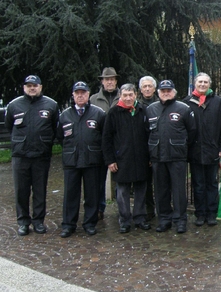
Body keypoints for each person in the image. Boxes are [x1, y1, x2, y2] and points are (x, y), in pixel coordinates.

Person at [5, 75, 59, 236]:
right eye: (29, 85)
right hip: (20, 155)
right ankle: (23, 222)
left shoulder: (51, 104)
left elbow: (55, 127)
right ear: (24, 87)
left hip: (41, 155)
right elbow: (9, 126)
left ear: (40, 87)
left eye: (35, 85)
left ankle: (38, 221)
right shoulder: (14, 105)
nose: (32, 88)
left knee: (40, 190)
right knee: (21, 190)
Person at [146, 80, 196, 234]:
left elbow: (192, 132)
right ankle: (164, 219)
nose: (166, 93)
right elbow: (147, 133)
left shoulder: (184, 108)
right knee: (161, 190)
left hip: (177, 157)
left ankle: (180, 220)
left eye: (169, 90)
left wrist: (182, 148)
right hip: (158, 157)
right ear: (158, 92)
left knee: (179, 190)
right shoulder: (150, 109)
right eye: (163, 90)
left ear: (174, 92)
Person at [57, 81, 106, 237]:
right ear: (73, 95)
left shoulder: (98, 114)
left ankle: (90, 223)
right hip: (72, 161)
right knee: (70, 194)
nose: (80, 95)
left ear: (88, 94)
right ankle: (68, 225)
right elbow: (60, 137)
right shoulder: (65, 115)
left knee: (92, 194)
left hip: (92, 160)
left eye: (83, 93)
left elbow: (105, 136)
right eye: (77, 93)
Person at [102, 83, 151, 233]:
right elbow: (106, 138)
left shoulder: (143, 110)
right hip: (121, 159)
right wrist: (110, 160)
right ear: (120, 96)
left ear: (136, 95)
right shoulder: (113, 113)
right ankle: (124, 220)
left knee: (141, 190)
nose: (128, 98)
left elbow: (149, 135)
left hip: (141, 158)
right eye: (125, 95)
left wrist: (150, 156)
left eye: (131, 95)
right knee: (122, 192)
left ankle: (140, 217)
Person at [184, 73, 221, 227]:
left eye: (205, 82)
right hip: (195, 152)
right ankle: (200, 213)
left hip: (212, 151)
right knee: (197, 184)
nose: (203, 84)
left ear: (209, 84)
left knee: (211, 184)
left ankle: (211, 214)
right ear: (195, 84)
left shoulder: (218, 103)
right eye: (200, 82)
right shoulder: (186, 103)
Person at [90, 67, 120, 221]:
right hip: (99, 145)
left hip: (120, 144)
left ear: (116, 81)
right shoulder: (93, 99)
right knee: (98, 180)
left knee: (121, 179)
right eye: (106, 79)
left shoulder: (124, 96)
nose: (109, 82)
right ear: (102, 81)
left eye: (112, 79)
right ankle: (99, 207)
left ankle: (122, 208)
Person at [138, 75, 158, 220]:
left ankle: (163, 209)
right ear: (140, 89)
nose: (147, 89)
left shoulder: (160, 103)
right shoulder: (136, 105)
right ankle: (148, 210)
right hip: (142, 149)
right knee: (145, 183)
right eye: (144, 86)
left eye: (149, 86)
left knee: (161, 182)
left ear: (154, 88)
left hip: (159, 149)